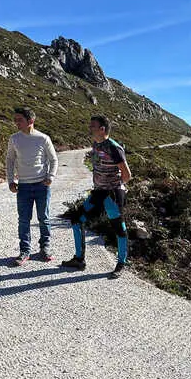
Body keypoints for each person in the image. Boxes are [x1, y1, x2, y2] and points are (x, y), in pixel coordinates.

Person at [61, 115, 131, 279]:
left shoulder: (114, 147)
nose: (89, 128)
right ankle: (79, 259)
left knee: (119, 228)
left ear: (102, 129)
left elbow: (127, 175)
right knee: (77, 219)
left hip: (112, 194)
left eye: (93, 126)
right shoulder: (95, 144)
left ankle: (122, 262)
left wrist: (114, 185)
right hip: (98, 192)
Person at [6, 107, 59, 265]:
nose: (16, 123)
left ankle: (45, 248)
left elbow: (54, 159)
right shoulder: (14, 139)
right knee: (23, 220)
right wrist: (10, 180)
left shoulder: (43, 138)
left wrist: (50, 177)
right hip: (23, 186)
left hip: (42, 185)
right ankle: (24, 251)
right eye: (15, 120)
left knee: (44, 218)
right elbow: (9, 160)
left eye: (19, 120)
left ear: (31, 121)